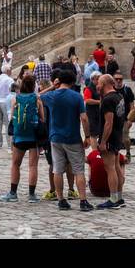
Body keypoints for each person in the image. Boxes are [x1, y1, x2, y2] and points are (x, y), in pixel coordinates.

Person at [41, 68, 93, 211]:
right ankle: (83, 201)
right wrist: (87, 136)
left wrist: (52, 86)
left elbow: (36, 96)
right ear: (72, 81)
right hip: (72, 137)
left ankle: (61, 200)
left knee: (57, 170)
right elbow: (83, 118)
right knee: (78, 170)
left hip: (55, 137)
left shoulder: (52, 95)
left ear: (59, 81)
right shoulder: (76, 96)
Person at [0, 72, 46, 203]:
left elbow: (13, 116)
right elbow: (42, 118)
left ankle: (13, 193)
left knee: (15, 164)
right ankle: (32, 195)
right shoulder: (37, 99)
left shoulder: (16, 99)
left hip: (19, 136)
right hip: (33, 137)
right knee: (33, 166)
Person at [95, 72, 126, 209]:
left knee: (110, 169)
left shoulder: (108, 100)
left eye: (99, 83)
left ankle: (113, 199)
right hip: (118, 136)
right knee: (117, 168)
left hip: (109, 138)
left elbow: (108, 122)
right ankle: (119, 197)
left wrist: (102, 142)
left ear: (104, 84)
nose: (97, 85)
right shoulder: (118, 96)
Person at [0, 68, 15, 149]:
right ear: (7, 71)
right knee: (7, 123)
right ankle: (9, 144)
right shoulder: (9, 80)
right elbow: (12, 91)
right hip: (6, 102)